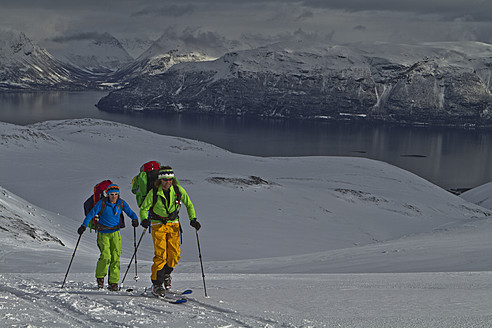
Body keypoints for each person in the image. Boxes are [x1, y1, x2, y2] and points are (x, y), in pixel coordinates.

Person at [139, 166, 201, 297]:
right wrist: (144, 219)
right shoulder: (154, 192)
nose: (168, 182)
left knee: (175, 254)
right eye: (165, 179)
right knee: (161, 255)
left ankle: (166, 275)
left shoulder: (178, 190)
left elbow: (189, 204)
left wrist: (193, 219)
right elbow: (144, 208)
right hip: (158, 224)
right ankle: (157, 283)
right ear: (160, 180)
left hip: (173, 224)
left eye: (170, 179)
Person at [78, 183, 140, 291]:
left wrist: (134, 219)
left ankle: (113, 282)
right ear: (107, 194)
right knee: (106, 256)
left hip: (116, 233)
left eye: (116, 194)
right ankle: (100, 278)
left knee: (115, 257)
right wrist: (84, 226)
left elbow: (130, 212)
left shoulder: (121, 203)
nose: (114, 196)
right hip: (103, 233)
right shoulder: (101, 203)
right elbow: (91, 214)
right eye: (112, 194)